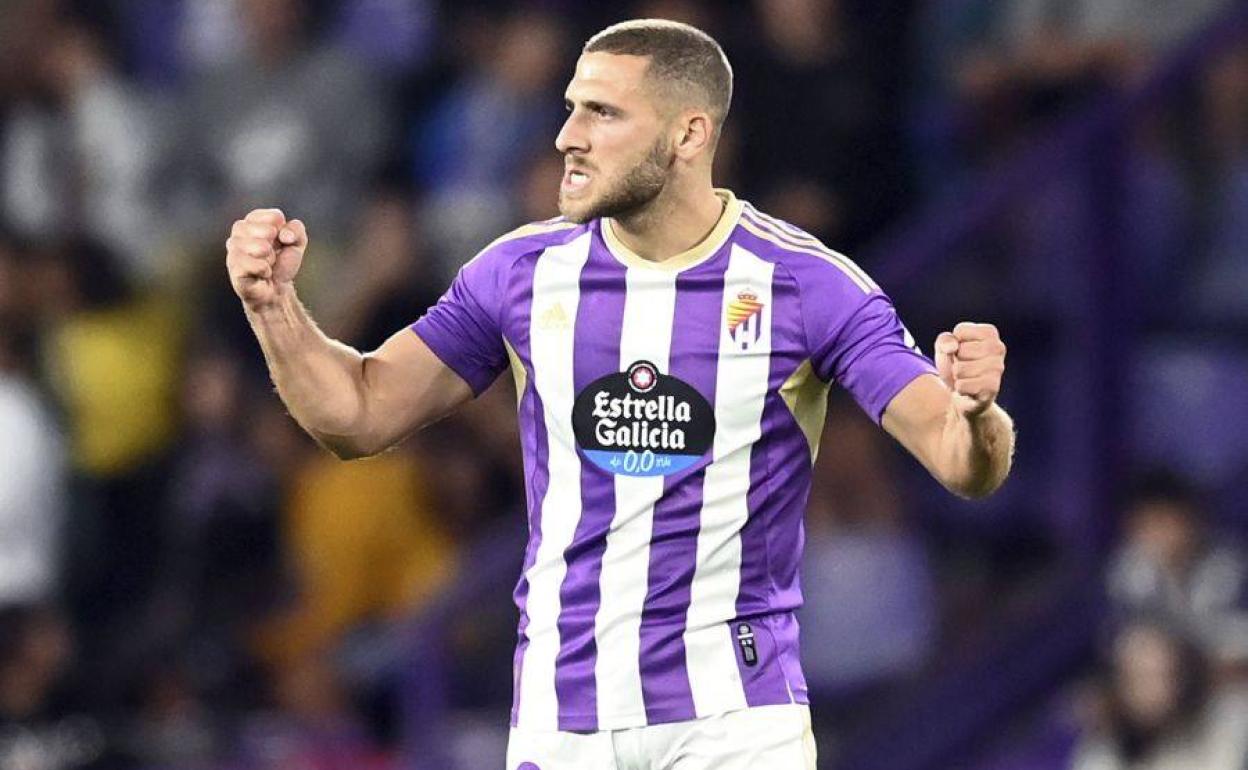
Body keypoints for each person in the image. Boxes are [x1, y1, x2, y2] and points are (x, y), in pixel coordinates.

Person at [225, 18, 1015, 770]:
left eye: (602, 113)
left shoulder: (805, 286)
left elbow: (958, 459)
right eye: (571, 108)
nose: (568, 135)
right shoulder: (520, 274)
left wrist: (979, 414)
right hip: (563, 721)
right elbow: (357, 414)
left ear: (689, 134)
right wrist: (274, 308)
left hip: (734, 722)